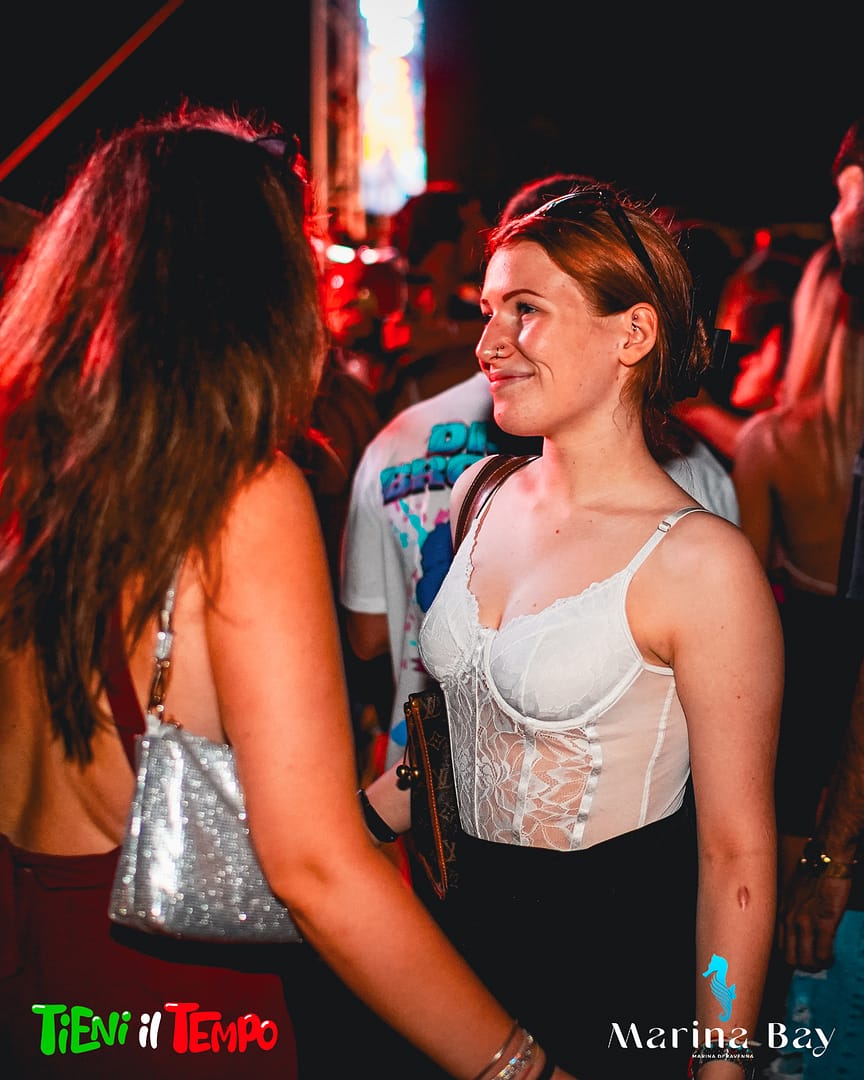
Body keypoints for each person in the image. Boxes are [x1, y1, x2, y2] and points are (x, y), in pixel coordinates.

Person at [0, 105, 574, 1080]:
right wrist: (522, 1067)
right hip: (169, 1010)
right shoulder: (237, 501)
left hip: (40, 990)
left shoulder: (27, 477)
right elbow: (315, 868)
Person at [363, 183, 783, 1079]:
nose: (487, 344)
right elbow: (458, 723)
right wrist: (349, 832)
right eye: (487, 310)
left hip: (604, 972)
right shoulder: (481, 494)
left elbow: (735, 855)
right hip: (454, 947)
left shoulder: (701, 563)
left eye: (525, 310)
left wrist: (721, 1061)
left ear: (633, 334)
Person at [777, 115, 864, 1080]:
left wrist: (829, 860)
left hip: (818, 773)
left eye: (845, 193)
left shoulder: (772, 444)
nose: (837, 218)